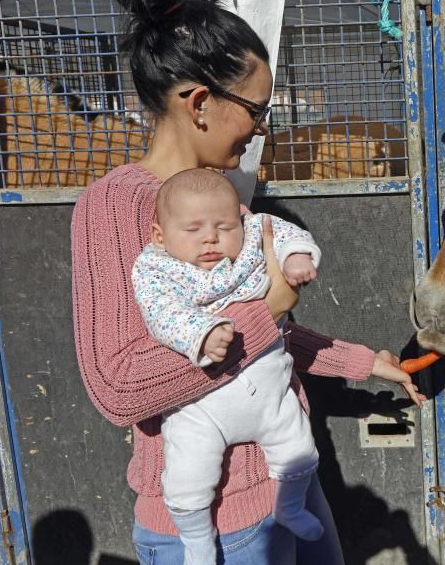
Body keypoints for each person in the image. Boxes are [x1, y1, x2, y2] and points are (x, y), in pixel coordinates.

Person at [71, 0, 421, 564]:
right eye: (256, 110)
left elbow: (267, 329)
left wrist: (362, 361)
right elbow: (116, 387)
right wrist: (267, 310)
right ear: (200, 101)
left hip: (288, 486)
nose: (261, 129)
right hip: (210, 522)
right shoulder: (115, 208)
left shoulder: (226, 201)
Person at [133, 168, 348, 564]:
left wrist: (297, 255)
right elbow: (160, 313)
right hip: (201, 408)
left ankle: (291, 506)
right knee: (187, 475)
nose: (211, 237)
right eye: (193, 229)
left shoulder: (250, 236)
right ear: (160, 236)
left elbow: (282, 233)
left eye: (223, 226)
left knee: (299, 448)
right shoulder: (157, 268)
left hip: (270, 394)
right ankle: (197, 541)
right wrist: (201, 332)